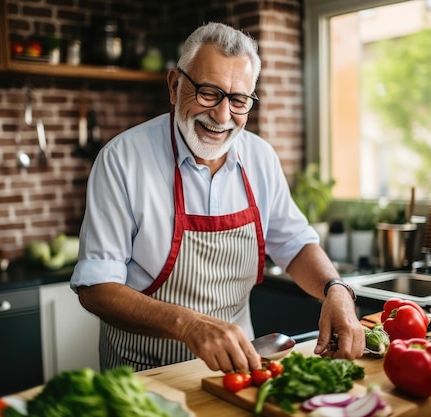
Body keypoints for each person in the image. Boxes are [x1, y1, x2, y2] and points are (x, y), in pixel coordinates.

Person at [70, 22, 365, 373]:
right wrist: (189, 325)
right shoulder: (122, 159)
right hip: (143, 372)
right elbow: (96, 287)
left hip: (239, 368)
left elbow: (295, 244)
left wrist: (336, 289)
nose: (222, 116)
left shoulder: (260, 158)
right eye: (208, 93)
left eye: (239, 100)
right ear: (174, 85)